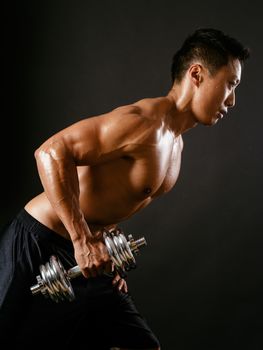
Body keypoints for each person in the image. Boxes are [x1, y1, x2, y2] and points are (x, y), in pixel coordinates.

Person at [0, 28, 249, 349]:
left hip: (85, 257)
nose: (232, 99)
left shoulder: (176, 147)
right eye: (230, 84)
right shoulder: (144, 124)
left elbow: (107, 201)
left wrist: (106, 255)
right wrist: (82, 241)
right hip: (38, 242)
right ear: (197, 74)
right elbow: (50, 151)